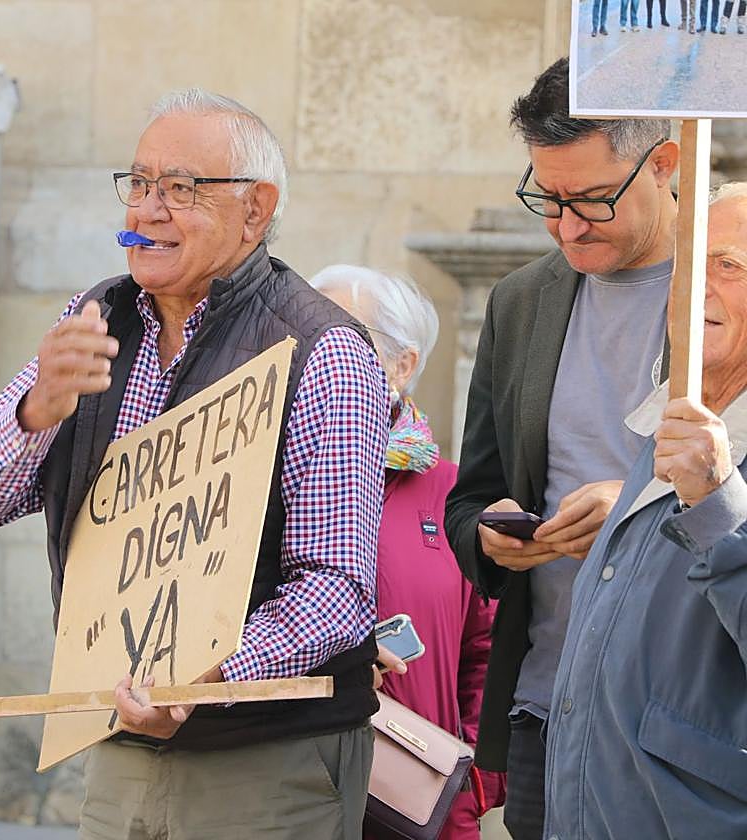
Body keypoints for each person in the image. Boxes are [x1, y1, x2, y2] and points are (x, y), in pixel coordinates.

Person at [0, 89, 389, 840]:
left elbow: (337, 591)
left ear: (255, 209)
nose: (147, 211)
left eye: (180, 188)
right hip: (118, 748)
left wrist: (208, 678)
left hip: (265, 761)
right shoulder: (96, 319)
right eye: (139, 184)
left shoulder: (323, 349)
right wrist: (37, 410)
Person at [443, 57, 677, 840]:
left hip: (687, 722)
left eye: (593, 200)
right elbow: (471, 494)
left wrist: (635, 509)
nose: (568, 226)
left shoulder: (729, 291)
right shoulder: (520, 301)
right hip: (547, 712)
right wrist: (489, 534)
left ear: (665, 163)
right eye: (549, 198)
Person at [544, 184, 747, 840]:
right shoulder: (670, 415)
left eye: (729, 265)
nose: (697, 285)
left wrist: (718, 503)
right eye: (689, 262)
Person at [312, 266, 505, 840]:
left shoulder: (455, 494)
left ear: (403, 365)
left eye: (344, 338)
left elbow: (490, 650)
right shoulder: (268, 479)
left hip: (419, 803)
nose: (317, 359)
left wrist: (473, 782)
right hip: (288, 789)